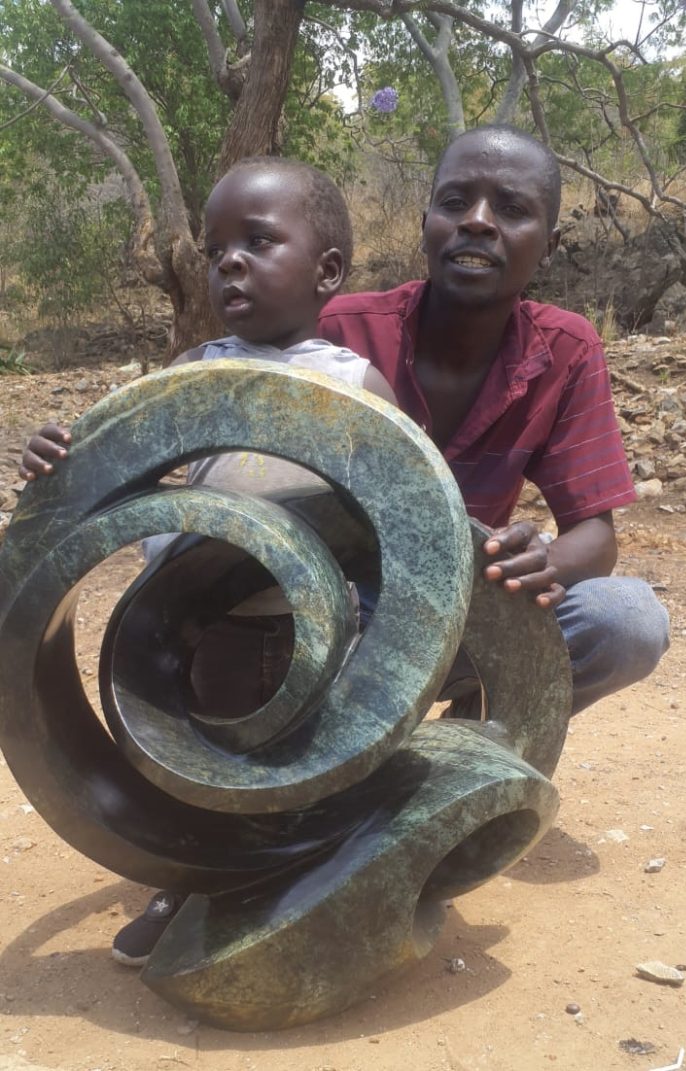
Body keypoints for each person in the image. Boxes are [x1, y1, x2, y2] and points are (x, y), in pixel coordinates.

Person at [18, 156, 396, 964]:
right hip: (201, 624)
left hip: (314, 626)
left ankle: (297, 878)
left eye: (259, 242)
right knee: (203, 757)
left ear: (327, 270)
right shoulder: (193, 375)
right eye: (217, 246)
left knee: (302, 758)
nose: (229, 261)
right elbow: (113, 471)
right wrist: (59, 455)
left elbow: (406, 508)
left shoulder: (358, 385)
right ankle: (191, 876)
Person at [318, 124, 669, 716]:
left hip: (473, 610)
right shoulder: (338, 332)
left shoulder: (566, 349)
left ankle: (473, 747)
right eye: (454, 202)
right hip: (336, 615)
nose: (478, 221)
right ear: (426, 221)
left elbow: (596, 535)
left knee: (629, 619)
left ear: (550, 244)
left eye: (511, 209)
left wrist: (539, 561)